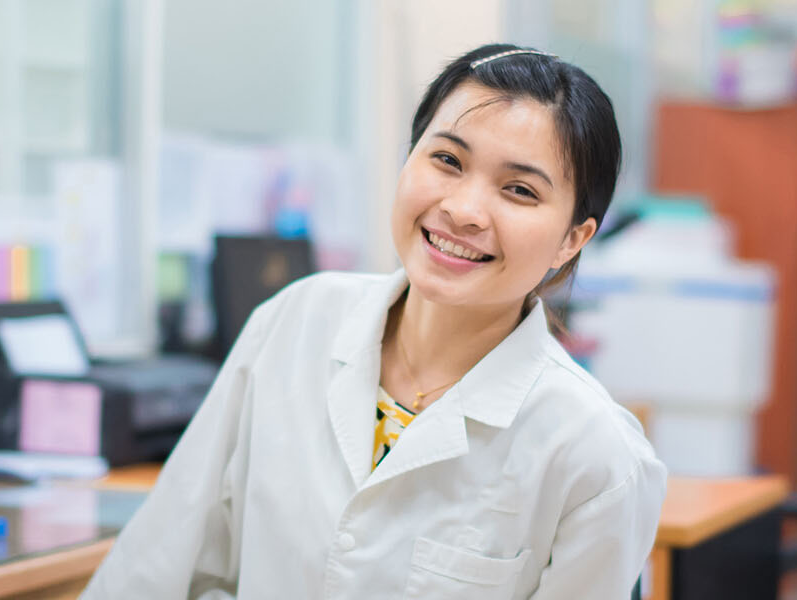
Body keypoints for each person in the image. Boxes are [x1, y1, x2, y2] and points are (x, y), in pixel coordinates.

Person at [81, 43, 665, 599]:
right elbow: (160, 560)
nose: (462, 210)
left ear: (572, 239)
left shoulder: (596, 455)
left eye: (518, 190)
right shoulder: (295, 320)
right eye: (446, 160)